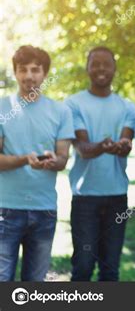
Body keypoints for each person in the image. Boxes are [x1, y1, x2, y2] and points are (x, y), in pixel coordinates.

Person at [0, 45, 74, 281]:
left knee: (35, 283)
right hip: (6, 208)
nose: (29, 76)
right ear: (15, 72)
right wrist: (24, 159)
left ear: (45, 74)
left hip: (44, 210)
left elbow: (63, 159)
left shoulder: (61, 111)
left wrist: (53, 161)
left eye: (35, 70)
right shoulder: (2, 108)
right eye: (23, 70)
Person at [65, 46, 135, 281]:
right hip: (85, 197)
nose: (101, 69)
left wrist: (122, 146)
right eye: (95, 64)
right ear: (87, 68)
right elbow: (83, 149)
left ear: (115, 68)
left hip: (117, 197)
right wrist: (102, 147)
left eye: (107, 64)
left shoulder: (127, 107)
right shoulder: (73, 104)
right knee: (83, 267)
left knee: (110, 269)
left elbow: (126, 144)